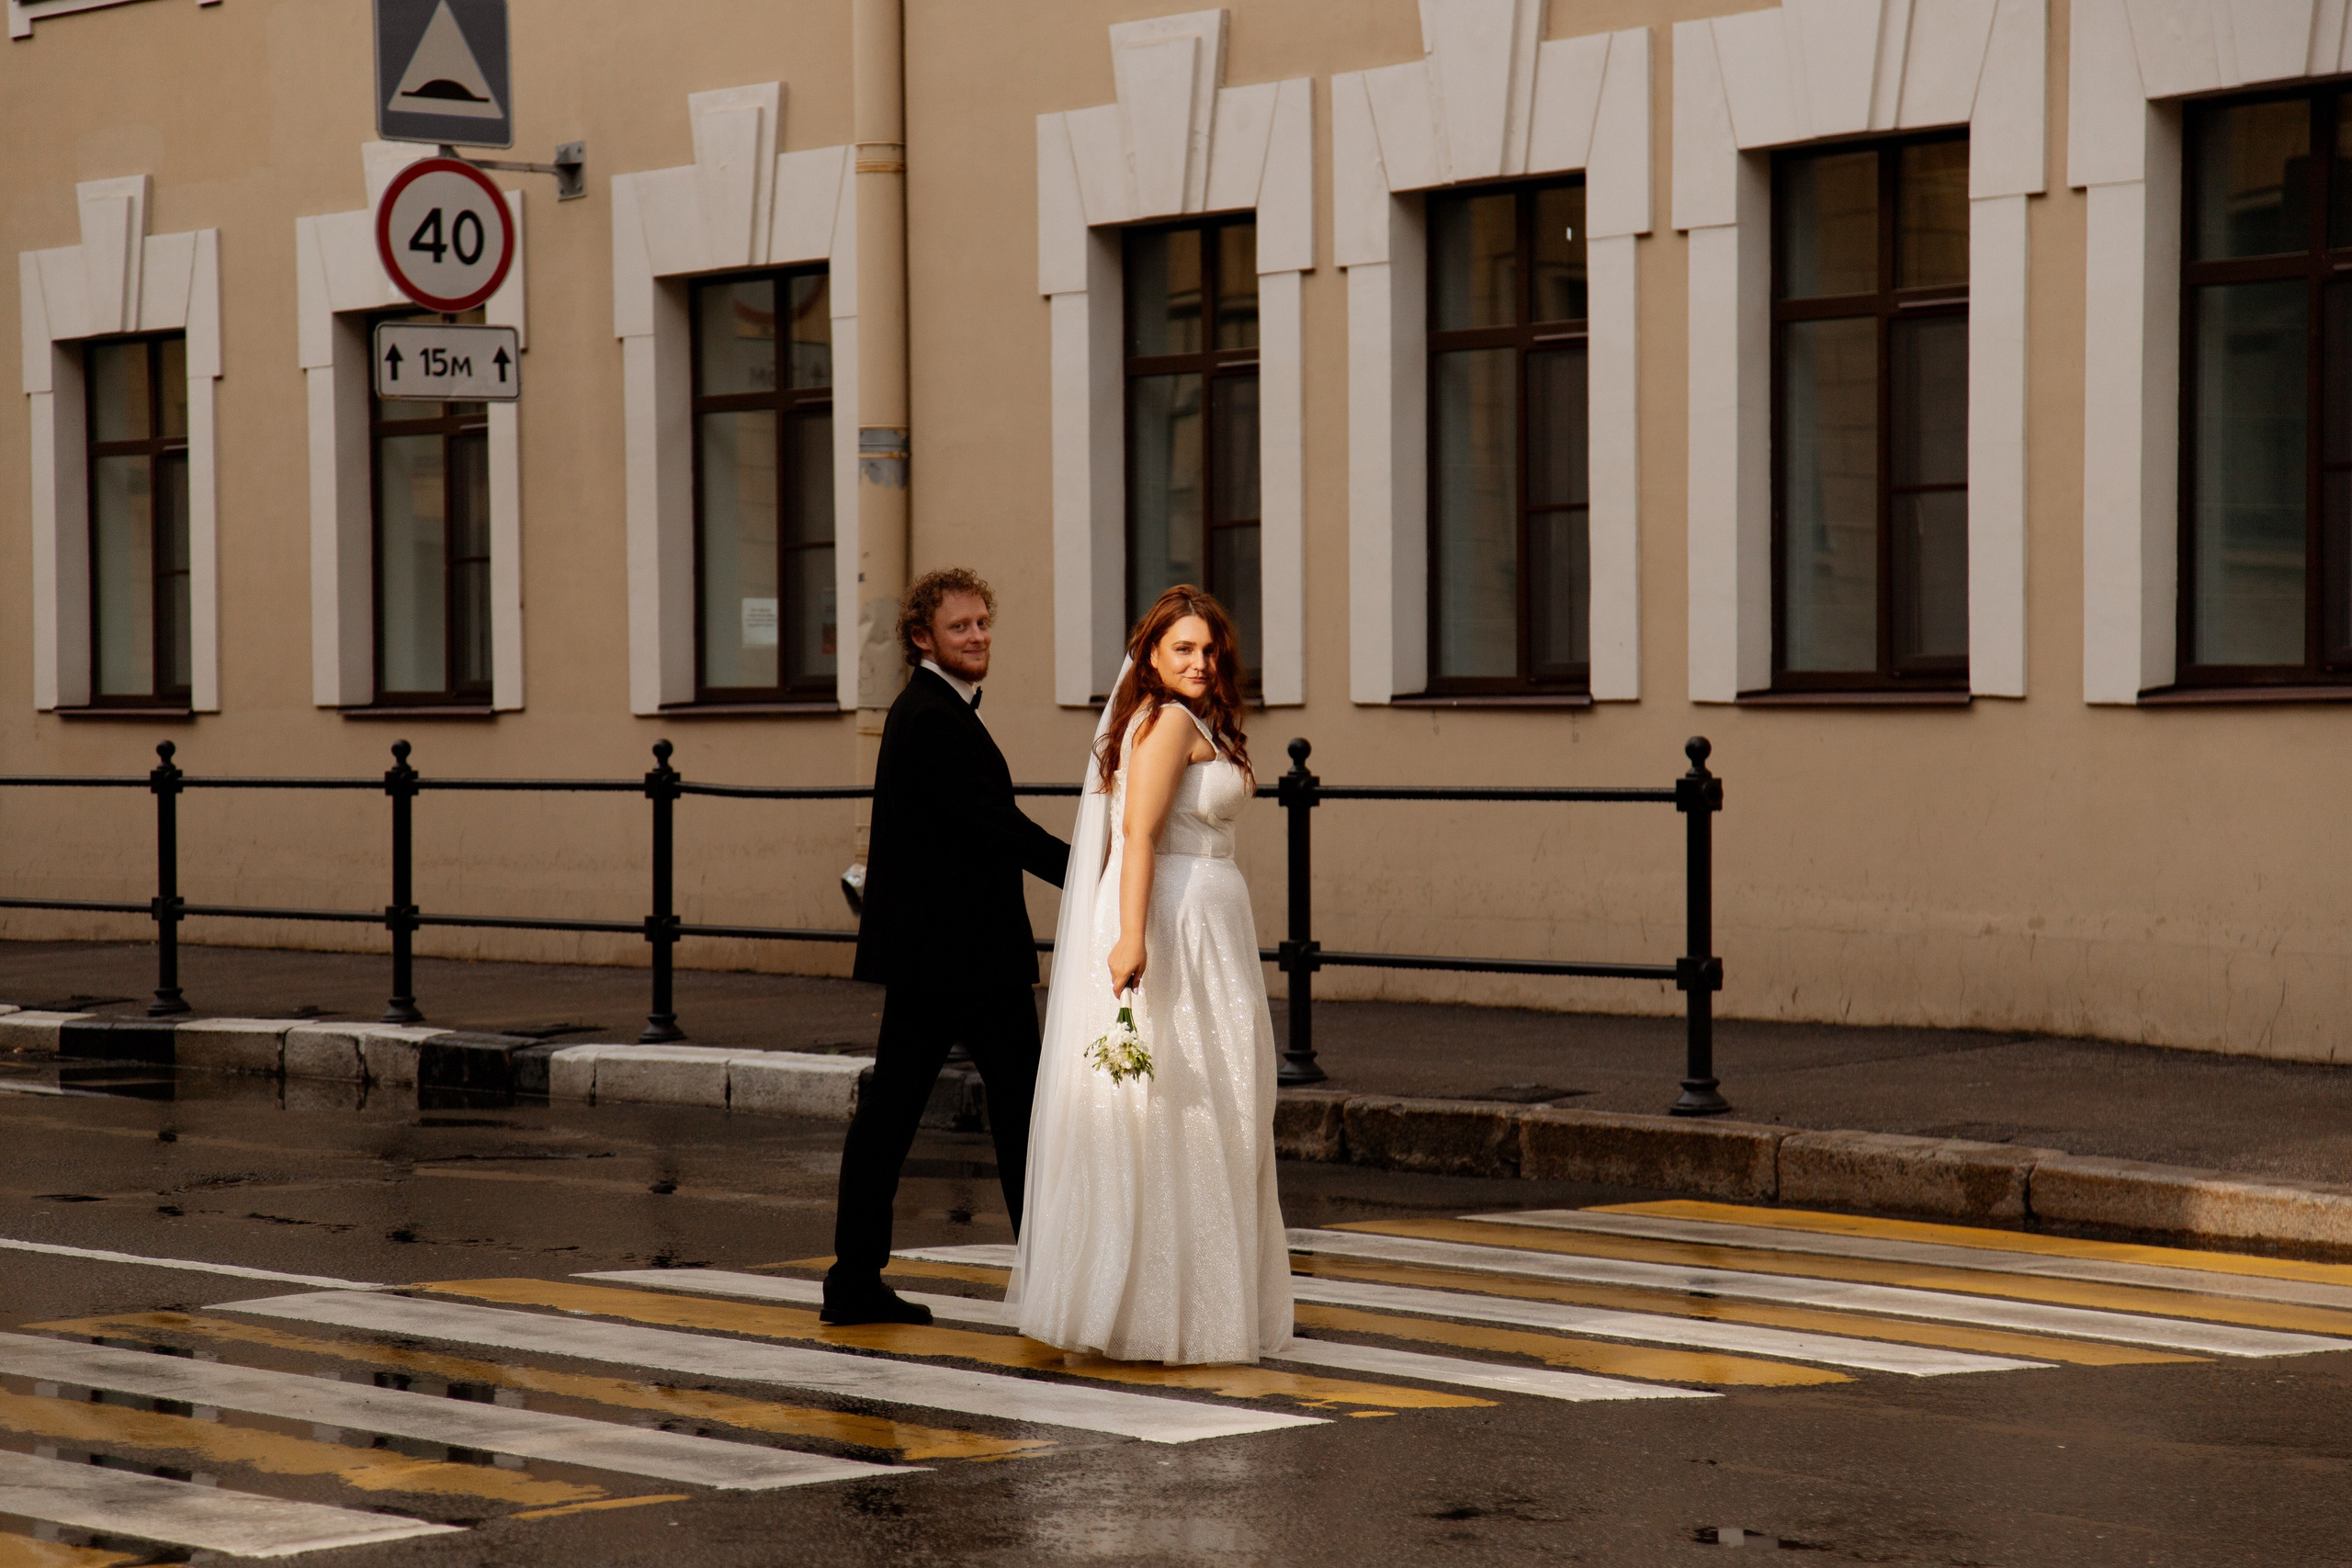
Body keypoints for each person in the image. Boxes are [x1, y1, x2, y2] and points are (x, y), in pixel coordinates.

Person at [1008, 585, 1295, 1364]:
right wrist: (1132, 936)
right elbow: (1136, 836)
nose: (1200, 662)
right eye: (1183, 650)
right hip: (1175, 920)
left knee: (1211, 1100)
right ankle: (1160, 1310)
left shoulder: (1187, 719)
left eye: (1209, 650)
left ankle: (1182, 1303)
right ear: (1152, 655)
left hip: (1205, 917)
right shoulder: (1167, 722)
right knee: (1186, 1104)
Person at [828, 568, 1070, 1326]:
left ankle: (855, 1279)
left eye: (982, 624)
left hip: (939, 955)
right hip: (963, 957)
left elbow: (981, 824)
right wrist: (1093, 870)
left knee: (895, 1112)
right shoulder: (932, 716)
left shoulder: (934, 710)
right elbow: (995, 824)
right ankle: (1054, 1281)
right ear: (923, 637)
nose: (976, 637)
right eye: (960, 627)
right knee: (1020, 1113)